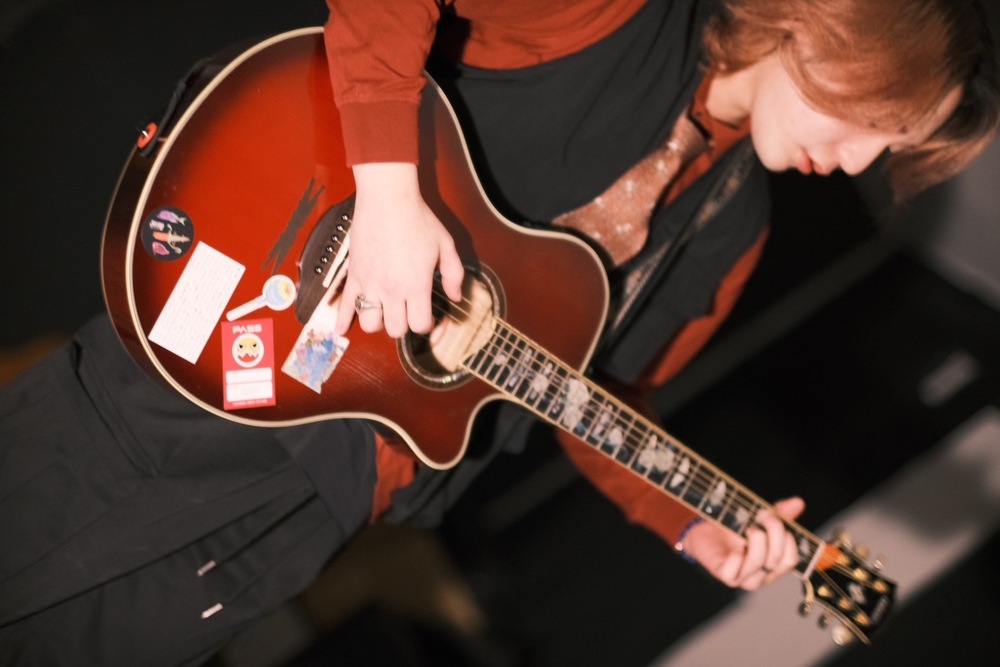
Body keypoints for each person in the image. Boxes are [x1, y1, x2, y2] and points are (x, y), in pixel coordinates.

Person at [0, 0, 996, 664]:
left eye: (890, 150)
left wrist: (695, 523)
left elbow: (600, 403)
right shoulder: (620, 13)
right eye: (880, 120)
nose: (859, 161)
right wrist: (391, 197)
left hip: (327, 504)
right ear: (833, 26)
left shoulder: (736, 226)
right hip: (235, 356)